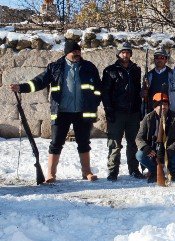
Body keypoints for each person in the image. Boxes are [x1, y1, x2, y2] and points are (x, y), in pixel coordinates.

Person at [9, 41, 102, 183]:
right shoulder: (55, 67)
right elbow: (39, 82)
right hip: (61, 112)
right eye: (74, 51)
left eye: (78, 51)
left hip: (83, 113)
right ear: (66, 53)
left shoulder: (89, 67)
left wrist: (94, 103)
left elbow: (98, 89)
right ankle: (51, 175)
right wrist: (21, 87)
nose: (77, 53)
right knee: (56, 143)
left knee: (84, 142)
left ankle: (87, 172)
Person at [101, 42, 143, 181]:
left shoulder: (136, 70)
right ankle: (113, 171)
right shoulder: (110, 70)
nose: (125, 54)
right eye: (123, 52)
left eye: (128, 52)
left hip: (133, 113)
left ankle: (134, 169)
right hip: (117, 112)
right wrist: (109, 110)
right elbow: (105, 92)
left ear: (131, 54)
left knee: (133, 143)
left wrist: (140, 107)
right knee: (114, 144)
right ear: (118, 54)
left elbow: (138, 91)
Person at [135, 93, 175, 183]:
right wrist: (146, 148)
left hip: (169, 150)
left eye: (165, 104)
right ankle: (154, 171)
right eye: (160, 105)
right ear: (155, 107)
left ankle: (172, 171)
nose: (163, 107)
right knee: (139, 155)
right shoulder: (148, 118)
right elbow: (139, 138)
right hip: (153, 151)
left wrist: (170, 150)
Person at [143, 48, 175, 116]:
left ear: (166, 60)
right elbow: (144, 93)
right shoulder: (148, 75)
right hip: (153, 111)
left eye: (162, 57)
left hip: (170, 110)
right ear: (154, 60)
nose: (159, 60)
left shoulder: (174, 74)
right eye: (157, 57)